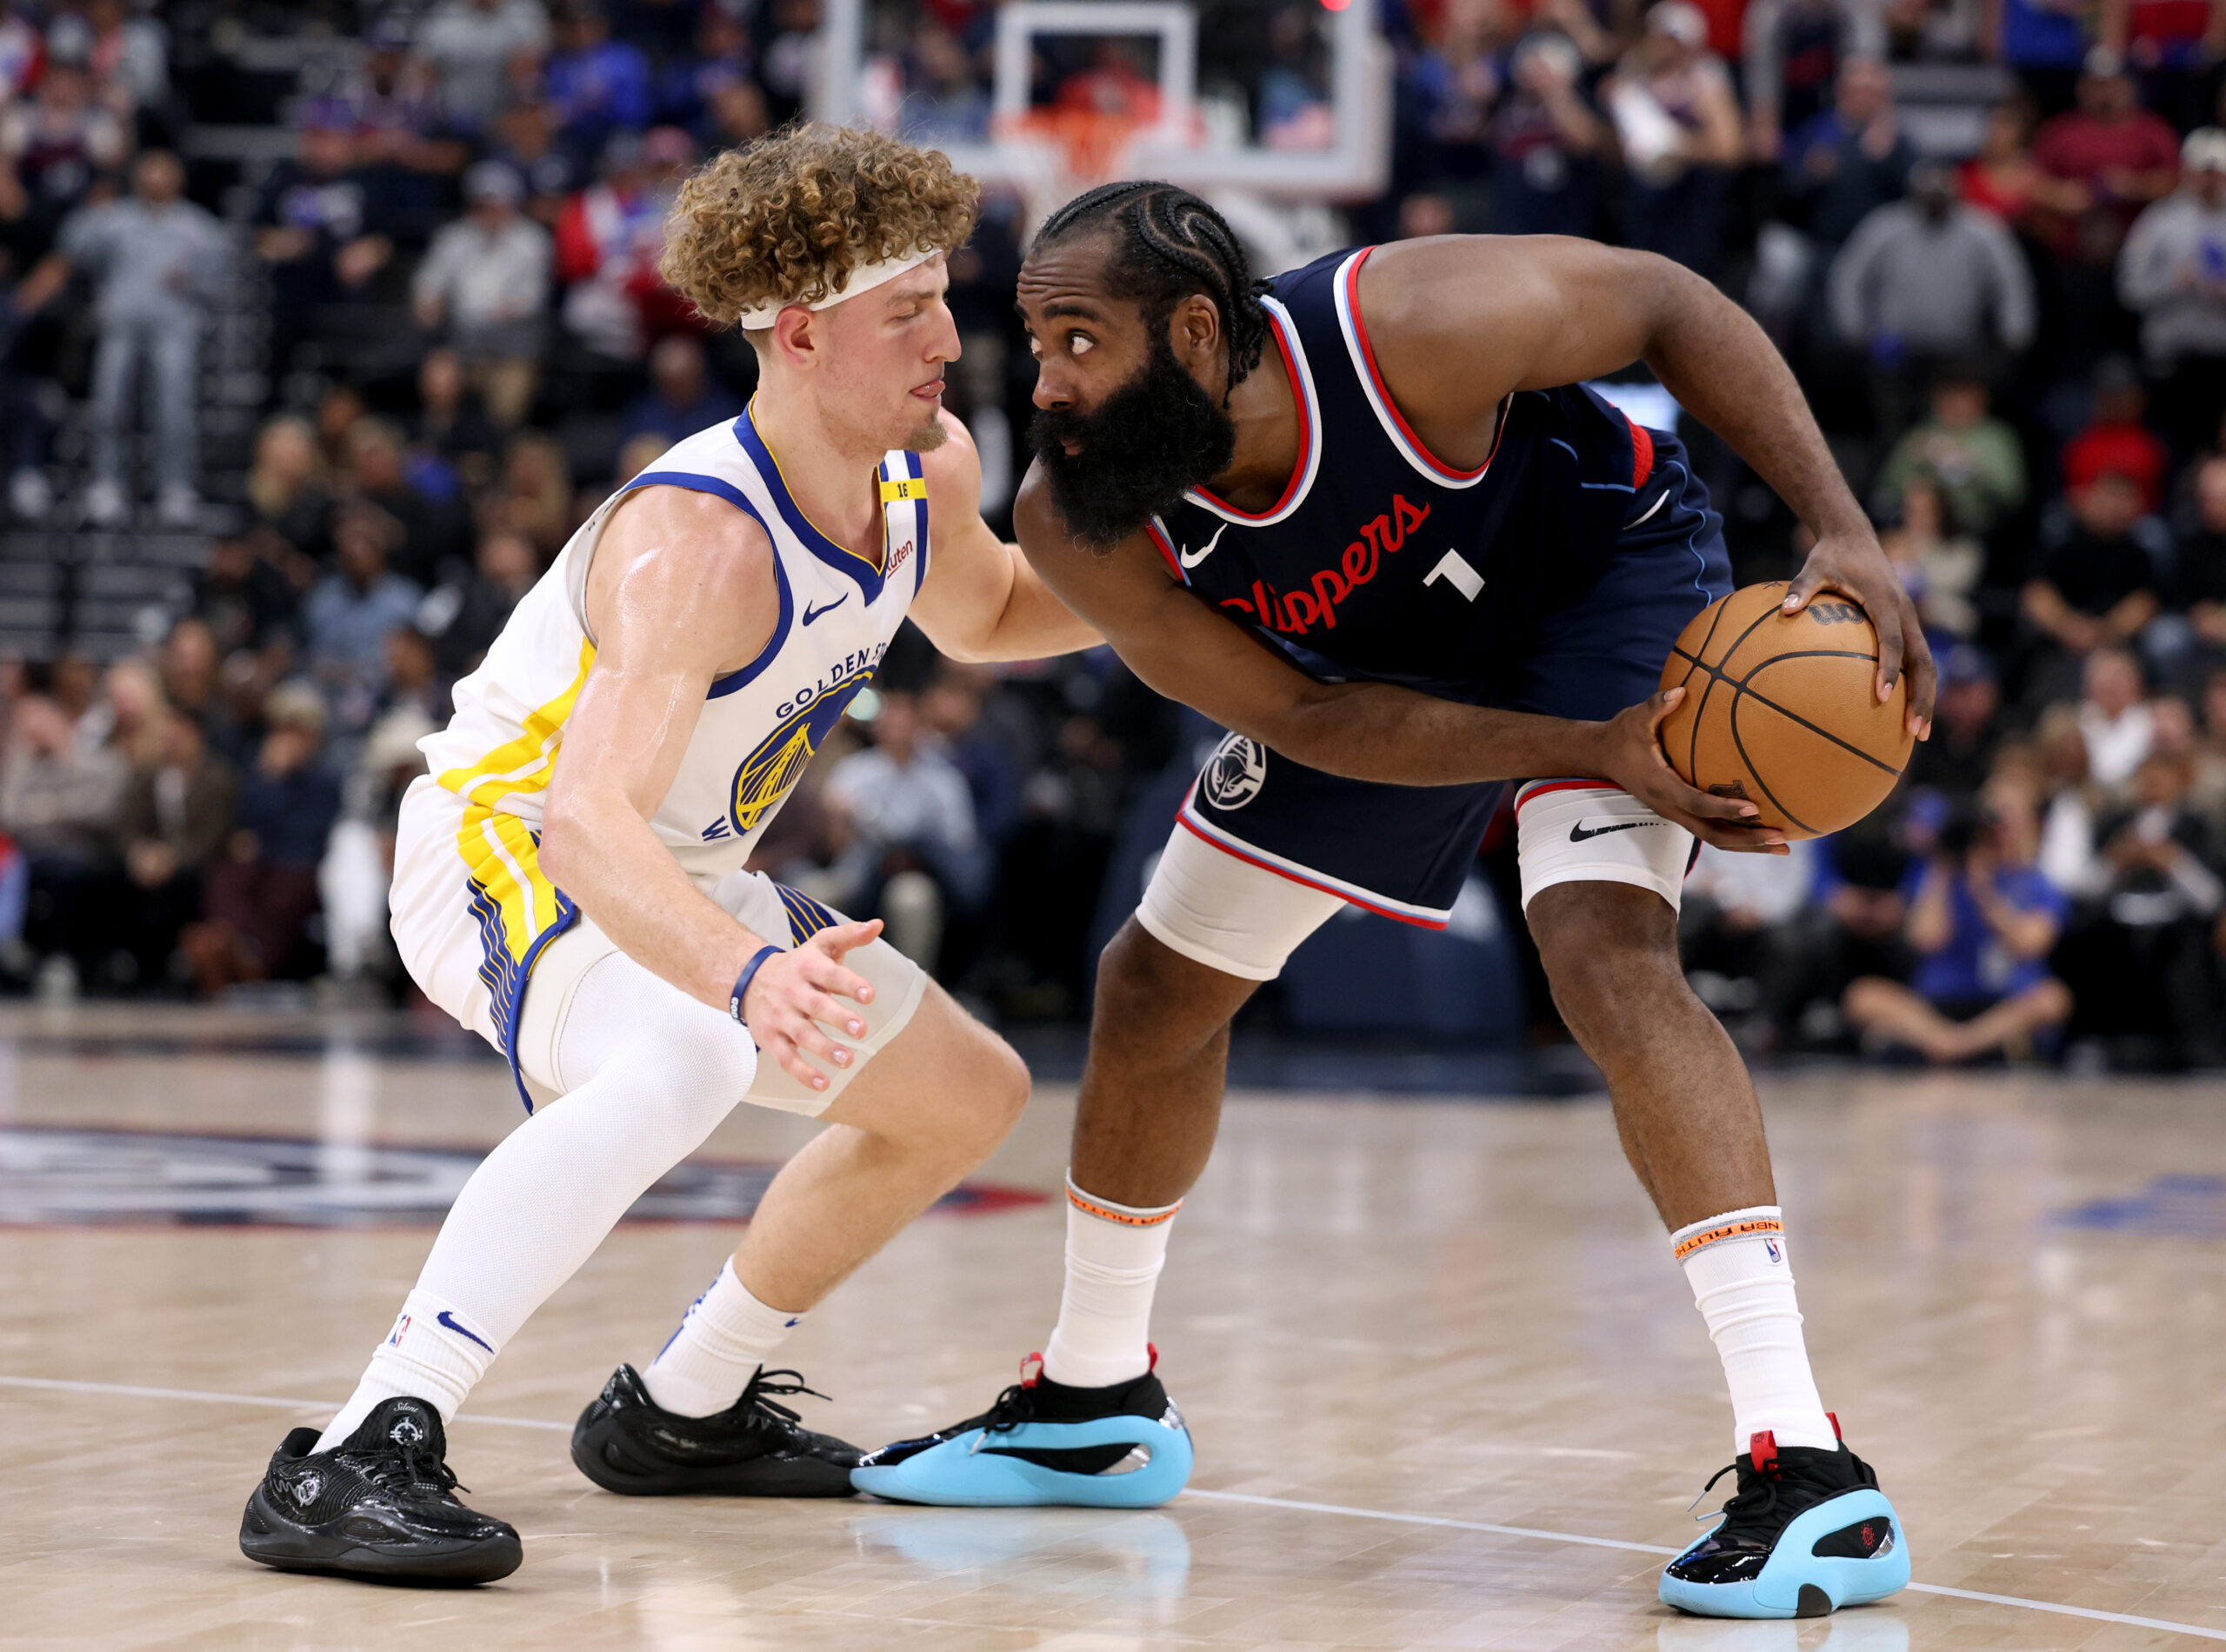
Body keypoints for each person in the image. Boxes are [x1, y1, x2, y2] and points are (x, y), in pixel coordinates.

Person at [856, 183, 1932, 1622]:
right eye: (1035, 344)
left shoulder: (1408, 328)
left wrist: (1841, 530)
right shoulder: (1081, 522)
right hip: (1374, 684)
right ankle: (1094, 1396)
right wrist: (1581, 751)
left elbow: (1672, 304)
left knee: (1604, 955)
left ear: (1193, 330)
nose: (1043, 384)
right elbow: (1322, 727)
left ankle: (1810, 1465)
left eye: (1077, 342)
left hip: (1596, 583)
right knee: (1154, 987)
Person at [235, 125, 1100, 1587]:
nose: (950, 340)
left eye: (947, 300)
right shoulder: (698, 540)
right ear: (806, 333)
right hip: (506, 850)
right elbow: (581, 823)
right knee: (695, 1052)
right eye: (910, 313)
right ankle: (360, 1445)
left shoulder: (923, 469)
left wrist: (1209, 586)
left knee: (966, 1094)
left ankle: (688, 1405)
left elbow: (997, 618)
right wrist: (743, 972)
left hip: (673, 863)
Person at [50, 150, 232, 527]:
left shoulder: (196, 226)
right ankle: (107, 482)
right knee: (110, 402)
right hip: (121, 324)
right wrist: (91, 211)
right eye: (149, 169)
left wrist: (194, 282)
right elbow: (74, 248)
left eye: (164, 170)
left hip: (174, 328)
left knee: (173, 406)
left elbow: (223, 279)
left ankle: (175, 485)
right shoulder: (116, 219)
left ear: (178, 177)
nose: (155, 178)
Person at [1843, 790, 2072, 1061]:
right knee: (1862, 996)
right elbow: (1927, 939)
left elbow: (2030, 944)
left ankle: (1949, 1046)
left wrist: (1985, 895)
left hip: (2004, 1000)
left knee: (2053, 999)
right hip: (1939, 1002)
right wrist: (1942, 866)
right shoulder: (1936, 877)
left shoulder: (2037, 884)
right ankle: (1963, 1044)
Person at [1828, 160, 2036, 440]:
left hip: (1958, 348)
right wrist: (1854, 329)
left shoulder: (1981, 229)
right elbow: (1850, 274)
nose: (1934, 201)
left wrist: (2015, 329)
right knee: (1895, 423)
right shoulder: (1886, 226)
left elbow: (2010, 279)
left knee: (1957, 424)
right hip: (1895, 347)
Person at [410, 161, 552, 430]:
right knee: (439, 377)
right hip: (461, 342)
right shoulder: (454, 237)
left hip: (511, 346)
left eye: (495, 203)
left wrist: (491, 314)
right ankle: (439, 447)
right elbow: (428, 284)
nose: (488, 212)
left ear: (511, 202)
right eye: (481, 204)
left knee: (507, 403)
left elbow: (530, 301)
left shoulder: (531, 240)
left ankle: (497, 457)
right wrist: (428, 303)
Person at [2117, 128, 2226, 461]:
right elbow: (2129, 289)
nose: (2209, 182)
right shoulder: (2160, 221)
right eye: (2201, 173)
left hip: (2221, 356)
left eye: (2216, 173)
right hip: (2169, 359)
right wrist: (2170, 283)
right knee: (2171, 448)